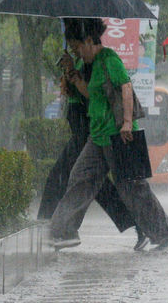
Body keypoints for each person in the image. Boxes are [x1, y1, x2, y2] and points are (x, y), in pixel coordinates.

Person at [49, 18, 168, 252]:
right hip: (98, 136)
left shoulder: (109, 59)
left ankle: (166, 234)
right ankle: (63, 232)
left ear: (89, 41)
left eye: (77, 48)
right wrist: (73, 73)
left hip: (117, 136)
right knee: (80, 178)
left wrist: (128, 123)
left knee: (133, 189)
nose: (77, 54)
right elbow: (92, 95)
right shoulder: (91, 64)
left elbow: (126, 87)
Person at [38, 39, 148, 251]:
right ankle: (137, 224)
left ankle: (49, 227)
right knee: (96, 186)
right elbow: (74, 93)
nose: (72, 49)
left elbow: (91, 95)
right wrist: (69, 71)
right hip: (81, 122)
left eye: (75, 45)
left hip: (87, 125)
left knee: (62, 176)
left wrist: (73, 73)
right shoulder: (81, 62)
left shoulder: (95, 62)